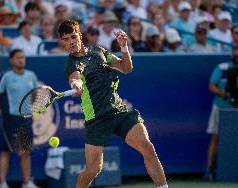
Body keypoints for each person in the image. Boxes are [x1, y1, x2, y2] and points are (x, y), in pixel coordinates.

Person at [58, 20, 168, 188]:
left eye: (73, 36)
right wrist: (76, 85)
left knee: (147, 147)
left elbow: (126, 68)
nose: (70, 42)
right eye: (65, 39)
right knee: (94, 169)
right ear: (62, 42)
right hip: (97, 119)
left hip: (119, 112)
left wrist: (124, 47)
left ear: (80, 35)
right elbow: (75, 77)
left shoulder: (98, 50)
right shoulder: (71, 64)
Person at [0, 49, 40, 188]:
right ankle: (2, 183)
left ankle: (27, 182)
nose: (21, 60)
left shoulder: (32, 75)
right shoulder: (5, 76)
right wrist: (1, 111)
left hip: (26, 119)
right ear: (11, 61)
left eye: (23, 57)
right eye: (18, 58)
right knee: (7, 150)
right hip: (10, 119)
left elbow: (35, 95)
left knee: (26, 151)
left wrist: (30, 110)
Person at [205, 45, 238, 181]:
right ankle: (209, 170)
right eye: (236, 53)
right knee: (215, 138)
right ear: (231, 54)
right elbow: (211, 86)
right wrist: (225, 95)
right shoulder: (222, 67)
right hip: (220, 107)